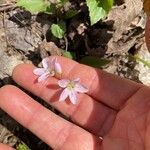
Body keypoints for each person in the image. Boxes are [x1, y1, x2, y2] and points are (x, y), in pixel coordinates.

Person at [0, 3, 150, 150]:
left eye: (71, 85)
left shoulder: (69, 82)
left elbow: (72, 85)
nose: (70, 86)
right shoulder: (63, 79)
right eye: (70, 85)